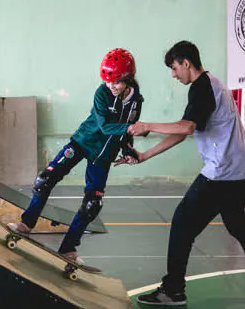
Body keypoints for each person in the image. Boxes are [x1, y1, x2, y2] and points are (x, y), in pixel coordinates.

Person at [119, 41, 245, 305]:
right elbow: (183, 130)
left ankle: (173, 290)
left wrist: (147, 125)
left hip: (223, 172)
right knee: (239, 226)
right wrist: (145, 155)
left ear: (186, 63)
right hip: (239, 168)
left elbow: (187, 127)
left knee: (182, 223)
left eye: (174, 67)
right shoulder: (209, 85)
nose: (173, 74)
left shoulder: (202, 87)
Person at [8, 48, 144, 264]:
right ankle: (27, 223)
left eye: (116, 82)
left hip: (104, 157)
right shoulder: (102, 93)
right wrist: (133, 129)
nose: (111, 86)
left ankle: (68, 248)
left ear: (128, 78)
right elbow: (106, 126)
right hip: (82, 143)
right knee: (45, 180)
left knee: (93, 204)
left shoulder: (137, 101)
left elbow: (128, 134)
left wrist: (128, 151)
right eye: (108, 81)